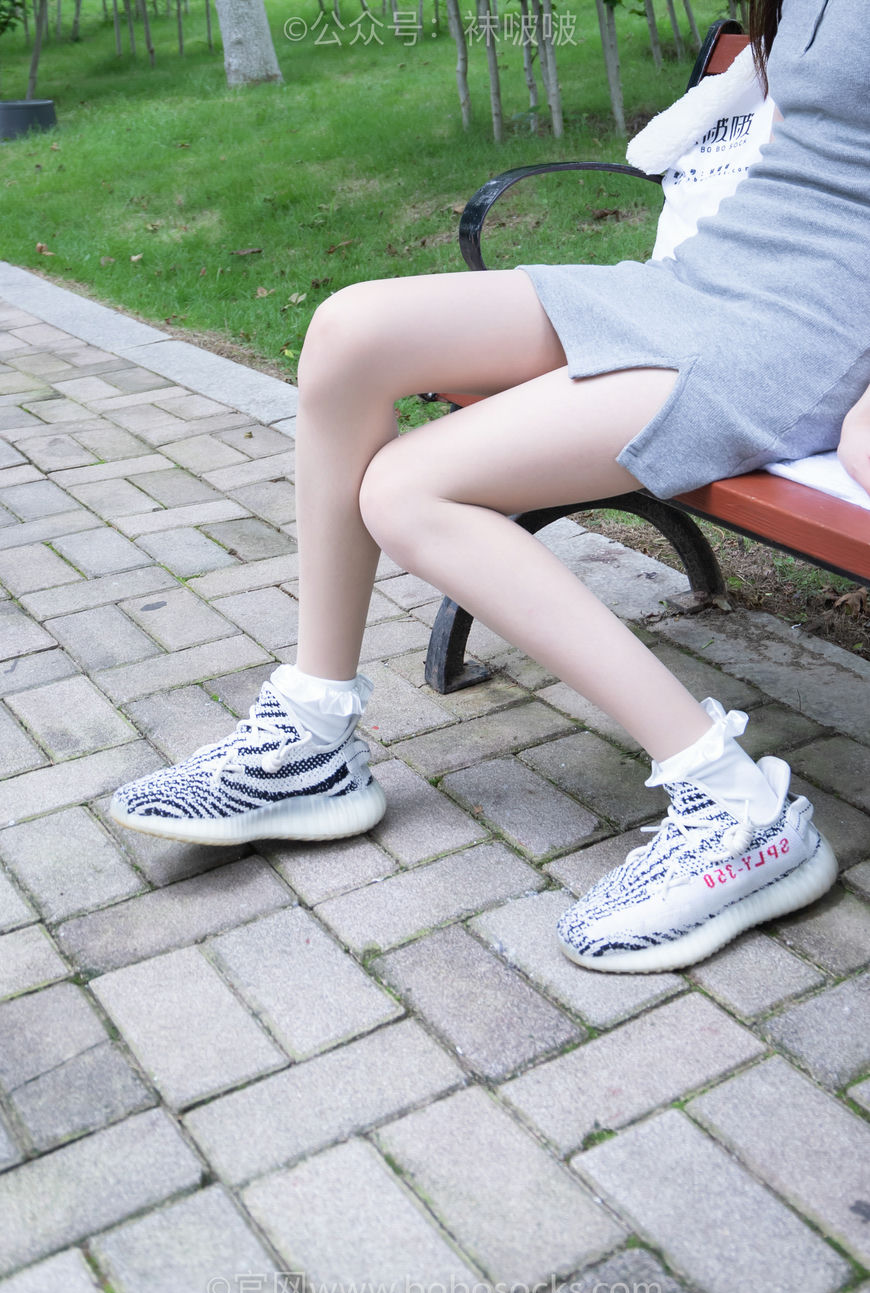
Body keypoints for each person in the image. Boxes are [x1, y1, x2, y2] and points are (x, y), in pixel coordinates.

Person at [110, 0, 869, 974]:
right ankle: (311, 737)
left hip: (801, 330)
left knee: (409, 491)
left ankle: (739, 809)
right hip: (709, 276)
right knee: (349, 334)